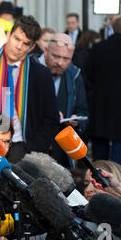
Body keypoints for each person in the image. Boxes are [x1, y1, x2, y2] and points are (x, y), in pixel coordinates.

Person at [0, 15, 60, 163]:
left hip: (21, 146)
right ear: (8, 35)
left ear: (32, 47)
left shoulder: (41, 74)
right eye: (16, 39)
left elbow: (51, 118)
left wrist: (33, 148)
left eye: (26, 43)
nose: (19, 46)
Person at [84, 16, 121, 166]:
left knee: (99, 148)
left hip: (100, 105)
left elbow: (88, 76)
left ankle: (98, 177)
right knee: (118, 148)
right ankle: (116, 180)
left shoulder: (98, 48)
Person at [39, 33, 88, 168]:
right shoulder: (30, 68)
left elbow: (83, 112)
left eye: (66, 59)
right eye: (56, 56)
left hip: (60, 150)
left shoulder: (74, 75)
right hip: (34, 146)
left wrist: (76, 121)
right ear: (46, 50)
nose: (60, 63)